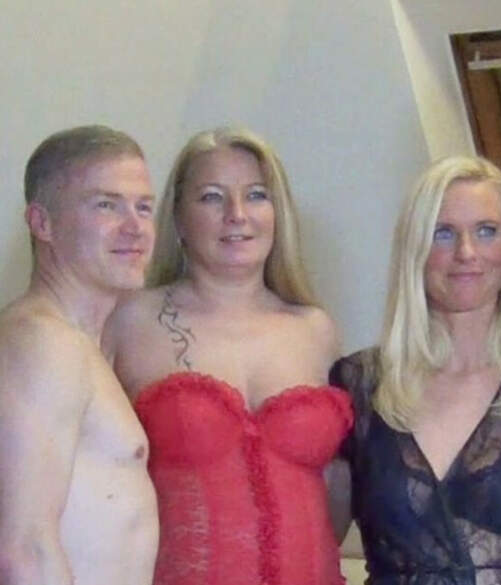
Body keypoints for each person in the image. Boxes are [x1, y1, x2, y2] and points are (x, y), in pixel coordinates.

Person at [102, 126, 352, 585]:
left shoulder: (316, 330)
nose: (237, 215)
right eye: (212, 197)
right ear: (178, 218)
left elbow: (337, 490)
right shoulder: (129, 319)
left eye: (256, 195)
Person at [329, 155, 501, 585]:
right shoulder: (359, 385)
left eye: (486, 231)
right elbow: (315, 542)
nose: (466, 253)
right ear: (414, 250)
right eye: (443, 233)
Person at [0, 125, 158, 585]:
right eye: (107, 205)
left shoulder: (80, 346)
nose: (135, 227)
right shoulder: (42, 343)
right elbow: (24, 550)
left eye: (143, 207)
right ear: (42, 223)